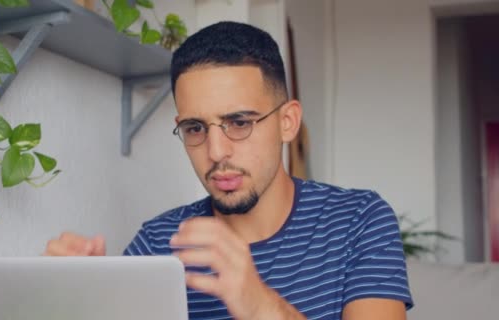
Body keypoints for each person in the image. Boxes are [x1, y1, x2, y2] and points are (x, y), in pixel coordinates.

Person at [44, 21, 413, 320]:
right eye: (195, 128)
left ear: (288, 122)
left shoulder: (359, 220)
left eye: (239, 122)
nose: (216, 152)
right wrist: (79, 303)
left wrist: (261, 306)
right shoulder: (158, 244)